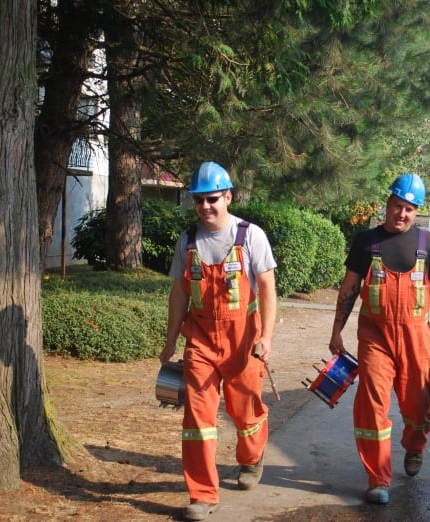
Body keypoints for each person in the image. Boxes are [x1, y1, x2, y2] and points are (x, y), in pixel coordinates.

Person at [328, 172, 430, 505]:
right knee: (372, 404)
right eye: (397, 206)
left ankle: (415, 447)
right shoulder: (366, 242)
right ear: (387, 204)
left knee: (420, 404)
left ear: (416, 211)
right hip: (374, 336)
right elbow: (349, 289)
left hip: (416, 337)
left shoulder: (426, 244)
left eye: (409, 208)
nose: (402, 214)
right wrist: (337, 329)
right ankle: (378, 477)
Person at [159, 161, 277, 521]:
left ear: (228, 196)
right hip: (201, 341)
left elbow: (269, 288)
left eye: (211, 199)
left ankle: (251, 458)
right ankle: (202, 495)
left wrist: (266, 336)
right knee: (198, 419)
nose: (205, 206)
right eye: (198, 200)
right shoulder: (188, 241)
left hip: (244, 340)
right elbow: (179, 294)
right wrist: (169, 343)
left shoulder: (250, 236)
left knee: (245, 413)